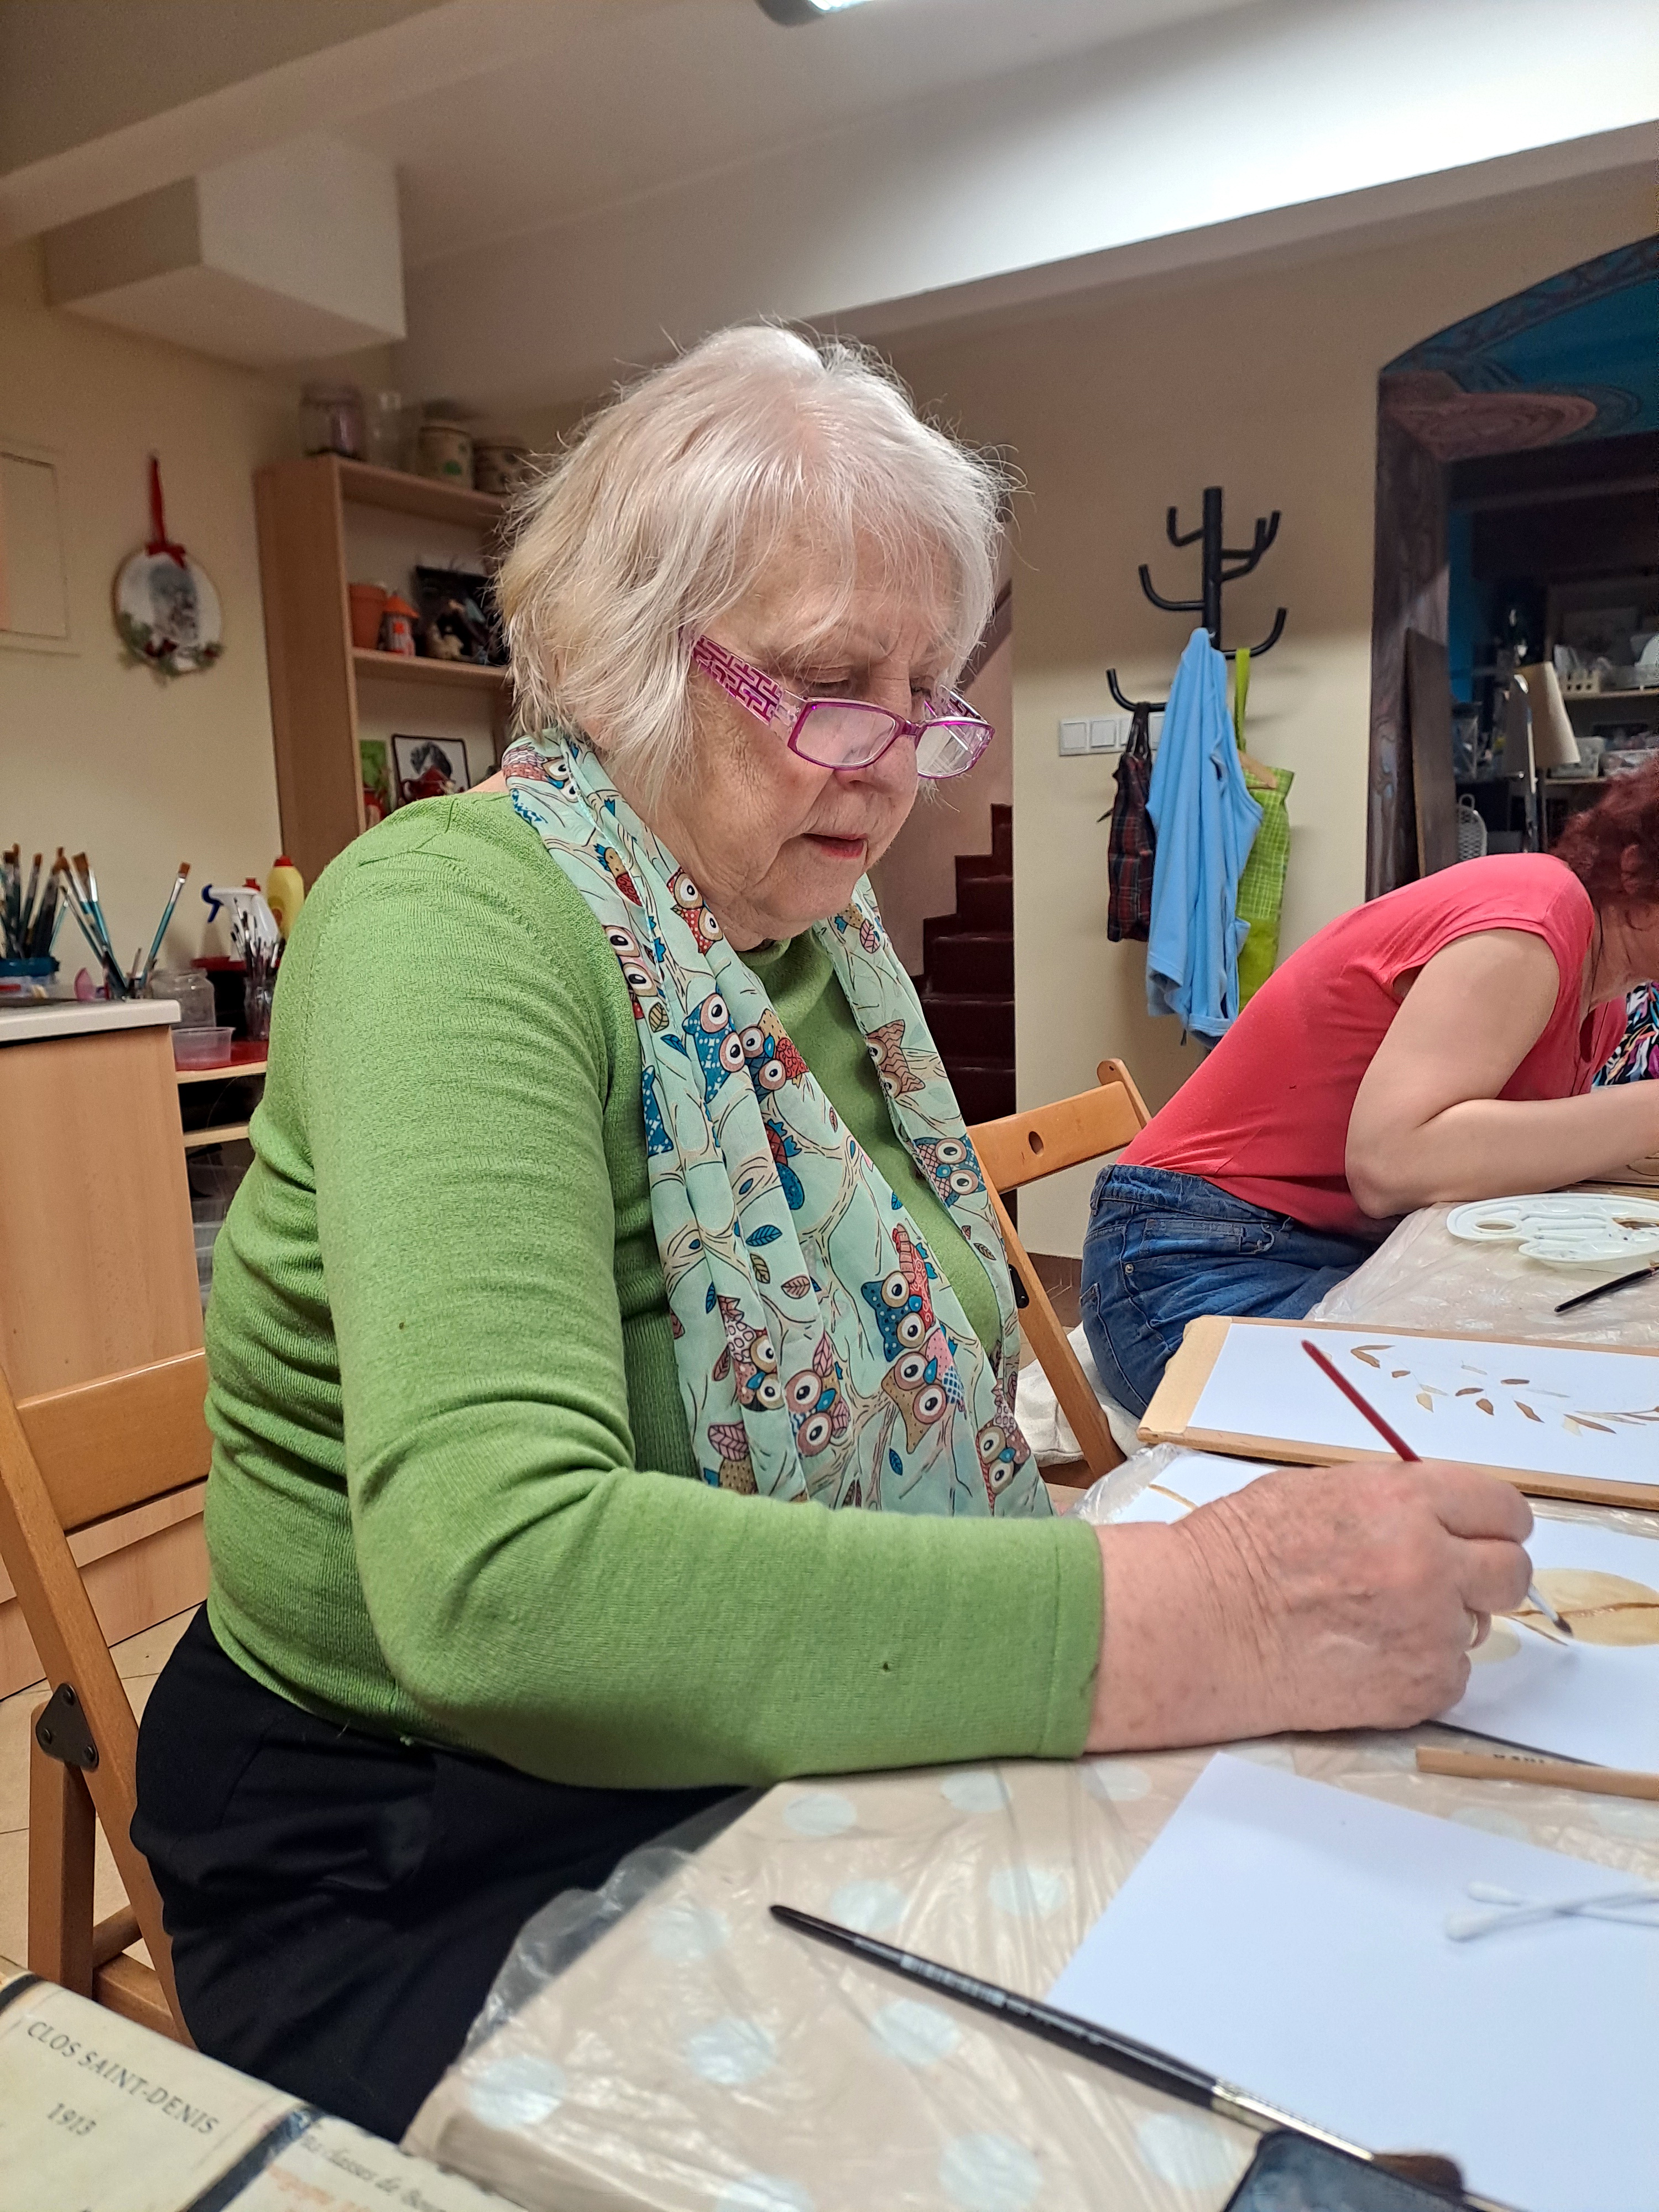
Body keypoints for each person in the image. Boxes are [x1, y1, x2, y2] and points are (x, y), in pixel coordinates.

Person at [135, 328, 1532, 2137]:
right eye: (825, 686)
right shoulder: (452, 925)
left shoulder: (806, 927)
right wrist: (1209, 1610)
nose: (893, 766)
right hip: (420, 1828)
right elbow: (501, 1585)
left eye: (927, 695)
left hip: (739, 1727)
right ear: (624, 661)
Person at [1082, 760, 1659, 1416]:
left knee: (1561, 1362)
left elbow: (1494, 1156)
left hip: (1310, 1245)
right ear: (1635, 869)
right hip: (1184, 1263)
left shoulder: (1605, 1001)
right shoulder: (1537, 917)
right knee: (1484, 1411)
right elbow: (1390, 1165)